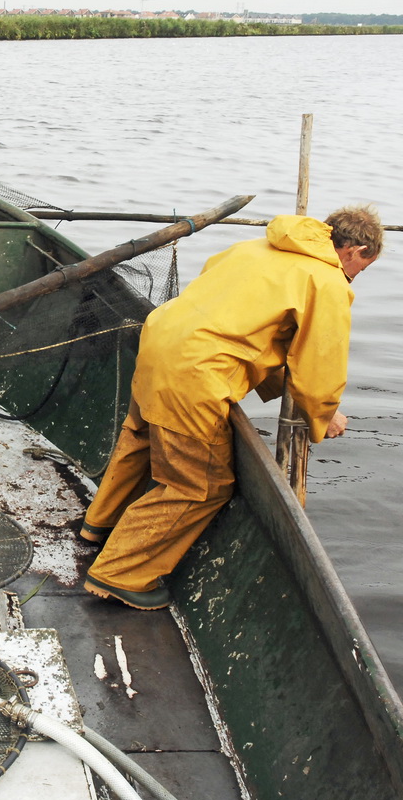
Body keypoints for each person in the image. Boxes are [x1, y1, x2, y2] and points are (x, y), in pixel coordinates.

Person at [78, 205, 383, 609]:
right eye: (365, 266)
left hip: (161, 344)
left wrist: (286, 391)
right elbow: (318, 367)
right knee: (200, 484)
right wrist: (323, 418)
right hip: (197, 372)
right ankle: (119, 573)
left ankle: (99, 525)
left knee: (142, 436)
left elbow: (254, 330)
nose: (357, 276)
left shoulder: (255, 247)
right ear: (355, 250)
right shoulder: (327, 281)